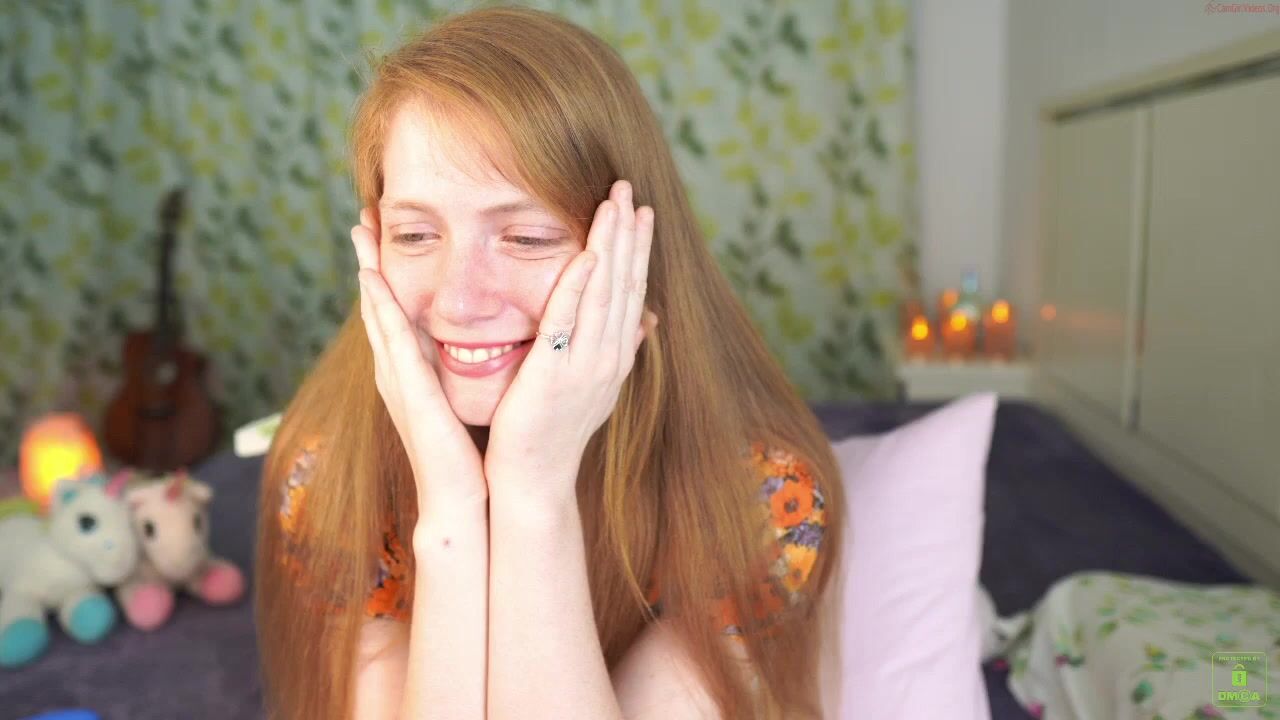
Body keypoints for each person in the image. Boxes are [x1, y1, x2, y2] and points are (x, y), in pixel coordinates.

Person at [255, 6, 844, 720]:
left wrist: (531, 495)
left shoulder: (760, 503)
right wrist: (451, 517)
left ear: (631, 257)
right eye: (413, 234)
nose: (459, 302)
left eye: (527, 238)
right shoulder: (328, 483)